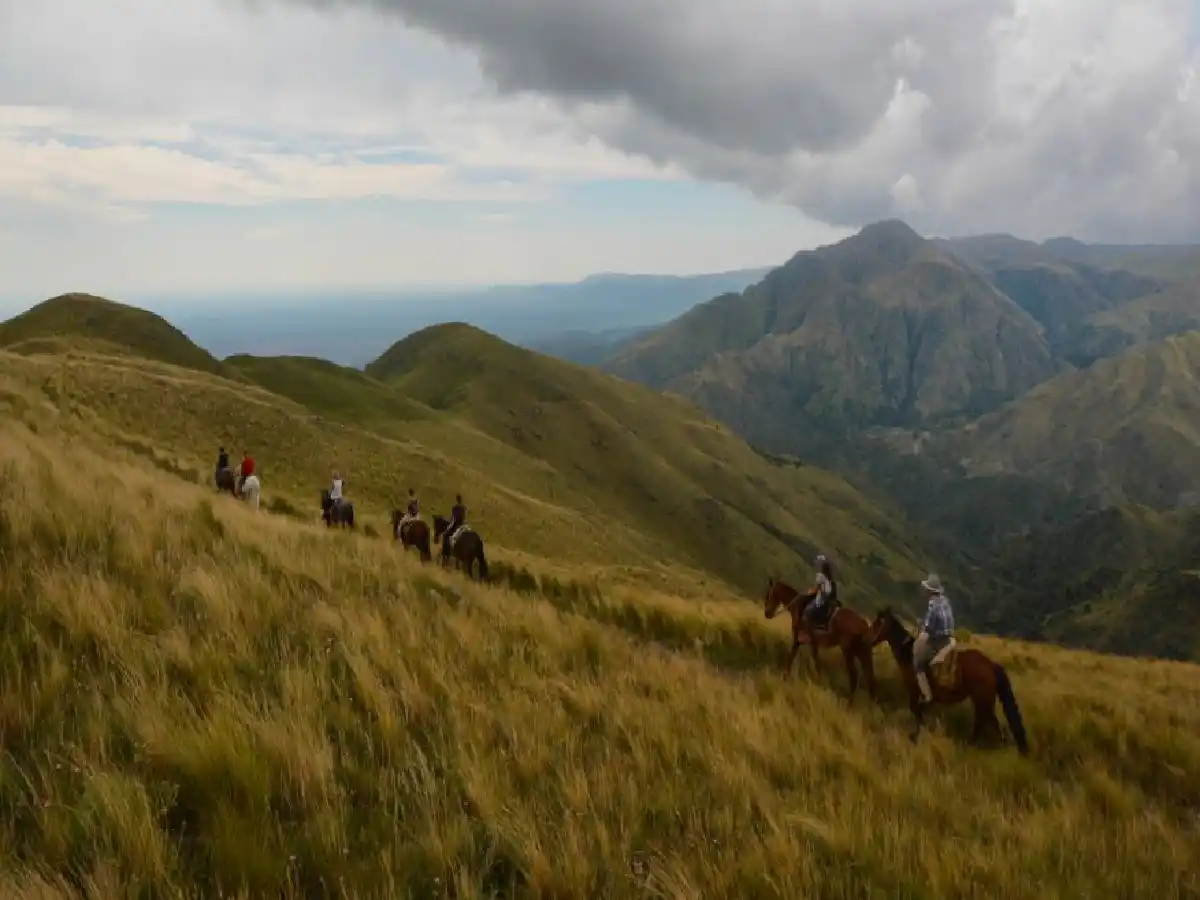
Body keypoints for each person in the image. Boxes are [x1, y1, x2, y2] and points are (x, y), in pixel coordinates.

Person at [913, 573, 956, 707]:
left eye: (926, 589)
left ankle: (927, 696)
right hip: (949, 638)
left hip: (938, 641)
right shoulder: (945, 601)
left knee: (918, 664)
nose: (925, 592)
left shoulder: (933, 605)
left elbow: (929, 628)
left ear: (930, 591)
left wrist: (921, 624)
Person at [802, 553, 838, 631]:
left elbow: (816, 589)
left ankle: (810, 629)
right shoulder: (831, 580)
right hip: (830, 600)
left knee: (807, 611)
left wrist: (809, 592)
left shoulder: (821, 577)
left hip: (823, 599)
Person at [442, 494, 466, 560]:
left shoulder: (455, 507)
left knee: (445, 535)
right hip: (462, 525)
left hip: (456, 524)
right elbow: (464, 517)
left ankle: (445, 552)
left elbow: (453, 518)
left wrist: (450, 522)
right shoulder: (463, 507)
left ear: (456, 500)